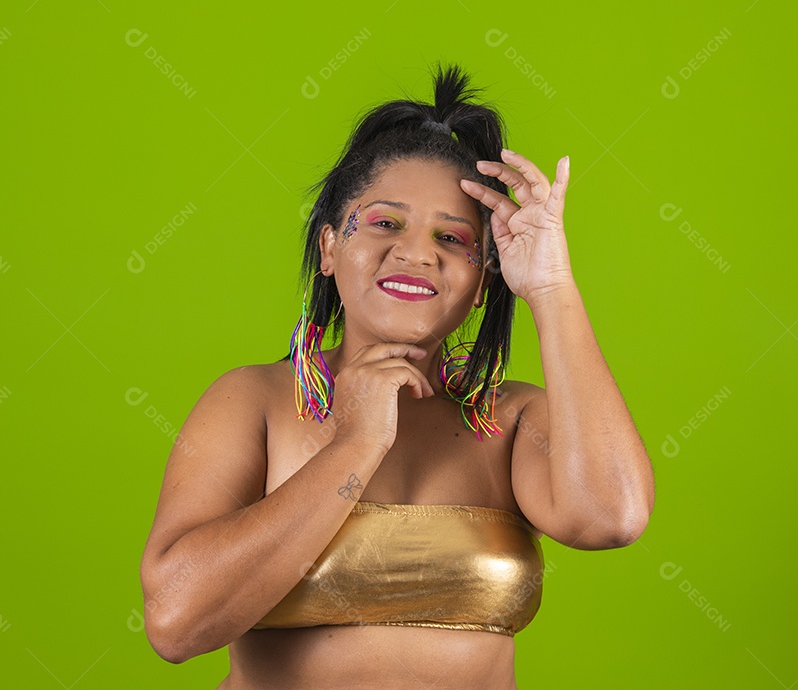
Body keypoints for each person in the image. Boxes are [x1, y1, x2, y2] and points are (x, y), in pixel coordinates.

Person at [139, 61, 655, 689]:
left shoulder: (512, 420)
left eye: (453, 239)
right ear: (330, 247)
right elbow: (176, 623)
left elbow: (612, 516)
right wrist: (356, 444)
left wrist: (550, 286)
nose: (417, 253)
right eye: (386, 223)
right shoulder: (254, 401)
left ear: (483, 281)